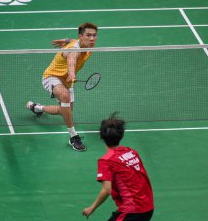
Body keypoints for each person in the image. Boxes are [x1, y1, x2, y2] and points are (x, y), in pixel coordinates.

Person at [26, 22, 98, 152]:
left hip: (67, 81)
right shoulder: (73, 49)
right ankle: (73, 136)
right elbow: (72, 58)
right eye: (88, 35)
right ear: (81, 36)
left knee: (65, 111)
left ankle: (37, 108)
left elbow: (74, 41)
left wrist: (66, 40)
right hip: (52, 77)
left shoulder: (86, 46)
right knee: (65, 97)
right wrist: (71, 72)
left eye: (94, 35)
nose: (92, 38)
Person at [82, 113, 154, 220]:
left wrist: (92, 208)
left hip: (133, 211)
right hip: (148, 206)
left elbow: (106, 190)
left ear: (102, 137)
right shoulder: (132, 152)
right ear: (122, 136)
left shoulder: (106, 161)